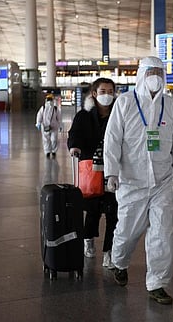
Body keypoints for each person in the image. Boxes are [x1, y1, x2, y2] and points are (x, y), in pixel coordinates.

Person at [103, 56, 173, 305]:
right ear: (140, 74)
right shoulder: (125, 103)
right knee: (128, 231)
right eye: (150, 72)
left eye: (159, 72)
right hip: (131, 181)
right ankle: (119, 262)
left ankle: (157, 284)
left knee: (163, 233)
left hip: (162, 180)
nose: (155, 77)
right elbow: (112, 139)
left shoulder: (171, 106)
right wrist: (112, 173)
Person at [67, 78, 118, 269]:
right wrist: (74, 147)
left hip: (114, 170)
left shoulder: (120, 114)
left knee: (114, 212)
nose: (107, 95)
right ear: (94, 94)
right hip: (91, 169)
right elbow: (74, 135)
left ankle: (109, 252)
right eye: (103, 91)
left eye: (111, 91)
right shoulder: (84, 116)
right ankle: (88, 239)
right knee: (92, 210)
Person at [35, 93, 61, 158]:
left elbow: (59, 118)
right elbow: (39, 116)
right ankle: (47, 152)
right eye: (48, 99)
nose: (49, 101)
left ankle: (54, 151)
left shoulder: (55, 109)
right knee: (46, 140)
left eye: (50, 99)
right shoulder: (43, 108)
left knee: (54, 139)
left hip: (54, 127)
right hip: (45, 127)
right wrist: (38, 123)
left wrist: (60, 126)